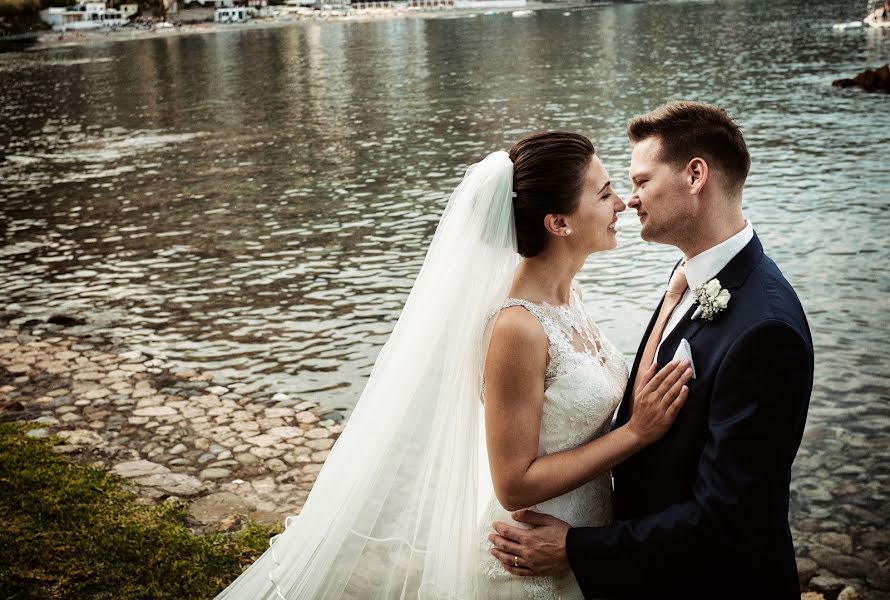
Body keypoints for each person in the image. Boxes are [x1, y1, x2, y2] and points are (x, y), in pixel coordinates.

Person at [213, 132, 690, 599]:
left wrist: (672, 300)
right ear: (558, 223)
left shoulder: (569, 302)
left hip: (583, 542)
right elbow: (513, 483)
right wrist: (634, 435)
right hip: (529, 560)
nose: (622, 205)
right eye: (604, 194)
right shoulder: (518, 327)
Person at [488, 102, 814, 599]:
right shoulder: (686, 278)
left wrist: (578, 548)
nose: (628, 201)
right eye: (613, 190)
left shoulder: (765, 328)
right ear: (557, 222)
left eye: (640, 181)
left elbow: (728, 514)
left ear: (695, 176)